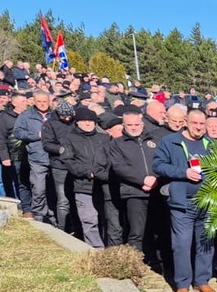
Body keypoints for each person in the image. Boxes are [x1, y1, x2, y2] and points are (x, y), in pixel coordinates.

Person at [154, 107, 215, 292]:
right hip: (182, 202)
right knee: (181, 244)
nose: (198, 127)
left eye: (202, 123)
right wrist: (183, 172)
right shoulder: (170, 141)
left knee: (205, 243)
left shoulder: (210, 144)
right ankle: (182, 283)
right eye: (194, 123)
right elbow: (158, 165)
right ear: (185, 123)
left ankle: (202, 281)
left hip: (207, 202)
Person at [105, 106, 161, 252]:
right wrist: (143, 180)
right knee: (136, 232)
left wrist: (155, 179)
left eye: (137, 124)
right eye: (130, 125)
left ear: (142, 123)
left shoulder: (154, 140)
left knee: (158, 230)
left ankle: (157, 262)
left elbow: (162, 162)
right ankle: (135, 261)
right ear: (124, 125)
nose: (134, 127)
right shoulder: (117, 143)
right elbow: (119, 167)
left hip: (156, 191)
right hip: (134, 192)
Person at [62, 106, 110, 249]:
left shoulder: (104, 138)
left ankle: (109, 248)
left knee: (107, 219)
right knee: (89, 220)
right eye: (84, 120)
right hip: (83, 185)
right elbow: (68, 161)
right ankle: (96, 249)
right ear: (77, 122)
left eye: (91, 121)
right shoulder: (69, 139)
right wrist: (87, 172)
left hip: (104, 185)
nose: (88, 123)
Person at [13, 90, 53, 223]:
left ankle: (52, 215)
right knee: (38, 188)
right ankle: (39, 215)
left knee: (53, 188)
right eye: (39, 101)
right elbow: (17, 132)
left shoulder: (54, 115)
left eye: (45, 101)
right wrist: (35, 136)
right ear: (34, 102)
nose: (42, 104)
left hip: (54, 157)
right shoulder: (26, 115)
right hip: (36, 156)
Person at [40, 99, 77, 232]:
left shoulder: (76, 122)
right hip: (59, 165)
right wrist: (60, 149)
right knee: (63, 200)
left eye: (69, 116)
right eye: (64, 116)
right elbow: (46, 144)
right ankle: (63, 228)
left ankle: (76, 226)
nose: (67, 119)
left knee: (76, 198)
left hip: (76, 163)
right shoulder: (50, 124)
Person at [0, 88, 28, 213]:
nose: (26, 103)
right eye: (23, 101)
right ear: (14, 103)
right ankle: (23, 207)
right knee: (19, 182)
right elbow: (1, 138)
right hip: (15, 155)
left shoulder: (29, 115)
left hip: (30, 154)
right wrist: (5, 157)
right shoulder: (5, 117)